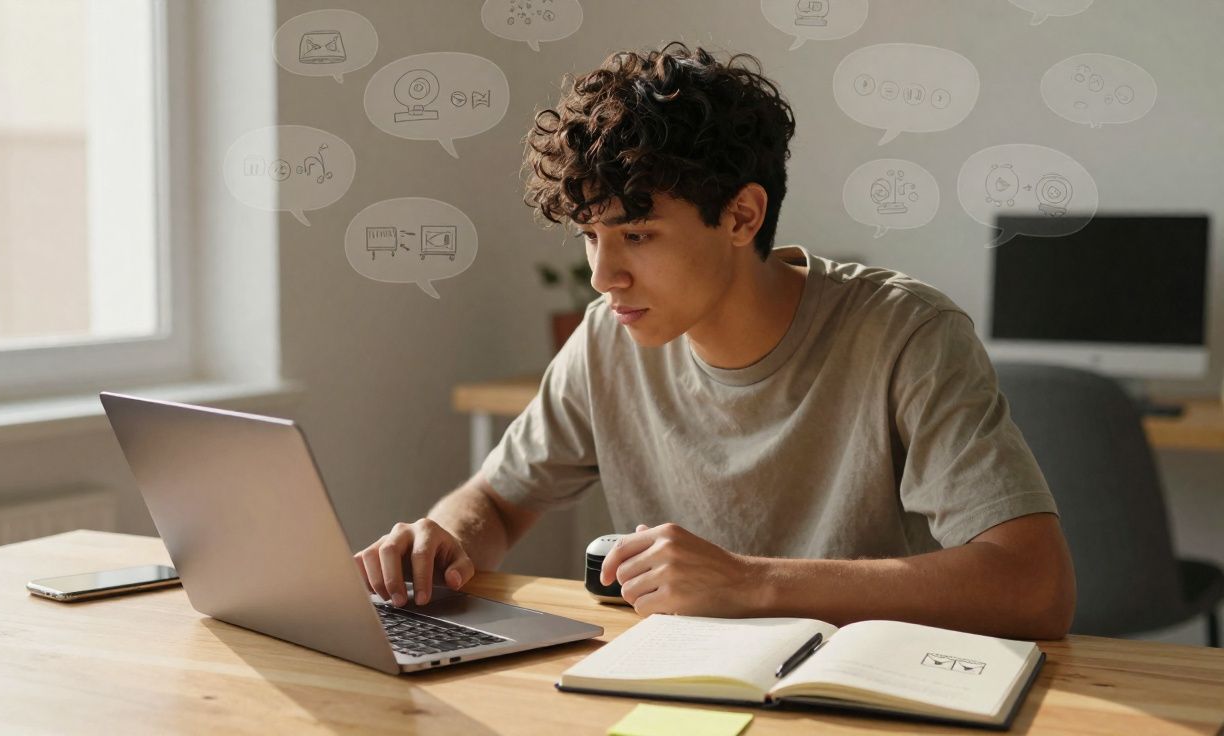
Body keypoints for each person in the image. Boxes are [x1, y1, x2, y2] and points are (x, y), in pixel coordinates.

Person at [355, 42, 1076, 640]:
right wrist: (441, 540)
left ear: (741, 217)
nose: (603, 277)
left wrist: (750, 581)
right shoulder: (608, 340)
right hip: (684, 690)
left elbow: (1034, 586)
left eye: (636, 235)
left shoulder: (905, 333)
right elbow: (501, 502)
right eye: (589, 237)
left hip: (867, 698)